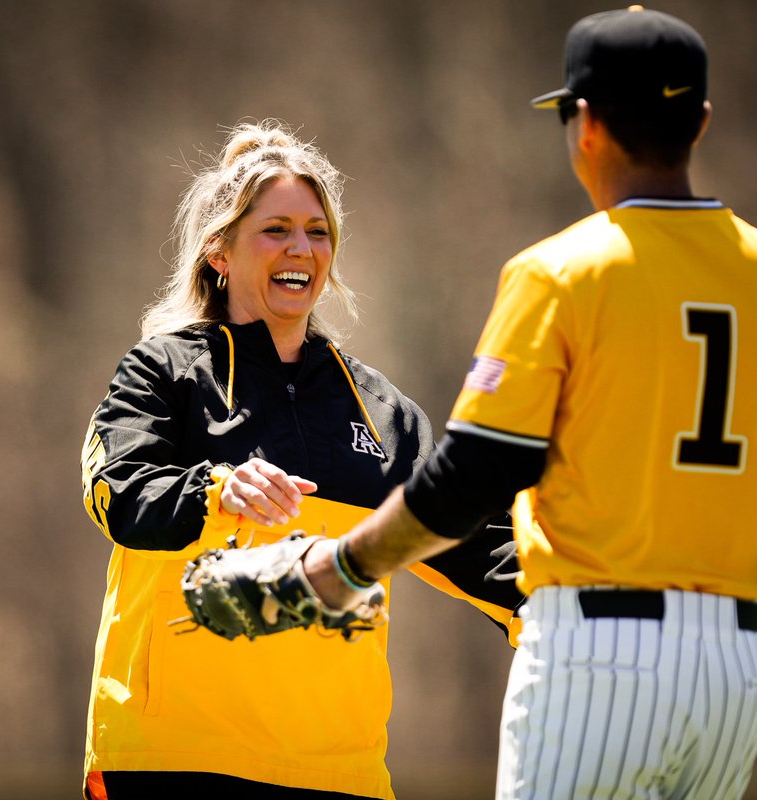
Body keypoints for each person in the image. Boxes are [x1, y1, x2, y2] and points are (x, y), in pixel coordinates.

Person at [240, 7, 757, 799]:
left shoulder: (561, 272)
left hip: (600, 652)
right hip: (737, 670)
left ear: (585, 124)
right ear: (699, 121)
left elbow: (476, 473)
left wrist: (342, 566)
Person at [77, 119, 524, 799]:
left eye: (318, 232)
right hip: (174, 761)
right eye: (276, 229)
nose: (303, 248)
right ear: (219, 252)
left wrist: (577, 604)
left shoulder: (385, 412)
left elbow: (473, 542)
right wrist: (213, 490)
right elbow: (118, 495)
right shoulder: (160, 371)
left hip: (337, 773)